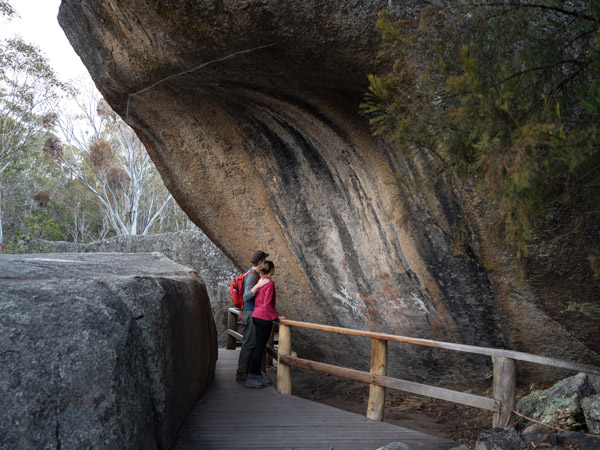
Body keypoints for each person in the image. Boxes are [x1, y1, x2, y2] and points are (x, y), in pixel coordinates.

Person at [246, 260, 286, 389]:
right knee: (259, 348)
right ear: (272, 269)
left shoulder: (260, 281)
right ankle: (252, 377)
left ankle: (256, 376)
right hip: (264, 318)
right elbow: (267, 305)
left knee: (258, 347)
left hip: (256, 316)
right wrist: (277, 317)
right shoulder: (269, 284)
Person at [236, 250, 270, 381]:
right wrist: (258, 286)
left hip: (252, 313)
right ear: (260, 262)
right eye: (264, 260)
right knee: (248, 344)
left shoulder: (255, 274)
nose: (266, 263)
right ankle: (241, 372)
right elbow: (246, 296)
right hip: (249, 314)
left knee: (253, 343)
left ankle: (248, 371)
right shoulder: (252, 276)